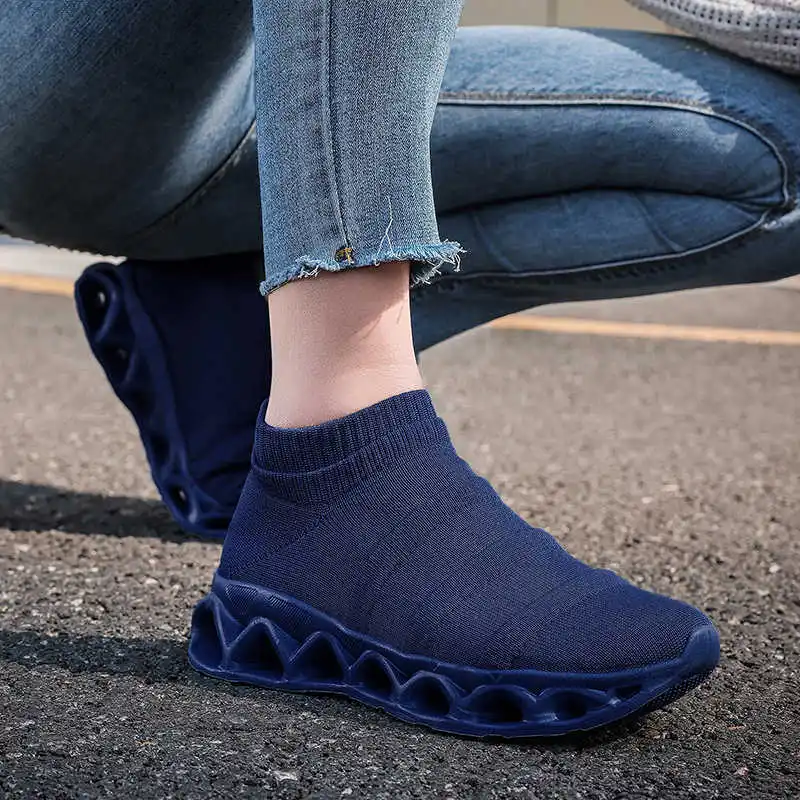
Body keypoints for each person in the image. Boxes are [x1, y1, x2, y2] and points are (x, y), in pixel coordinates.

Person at [3, 2, 799, 737]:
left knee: (782, 148)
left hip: (264, 86)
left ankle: (244, 335)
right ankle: (340, 442)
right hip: (67, 88)